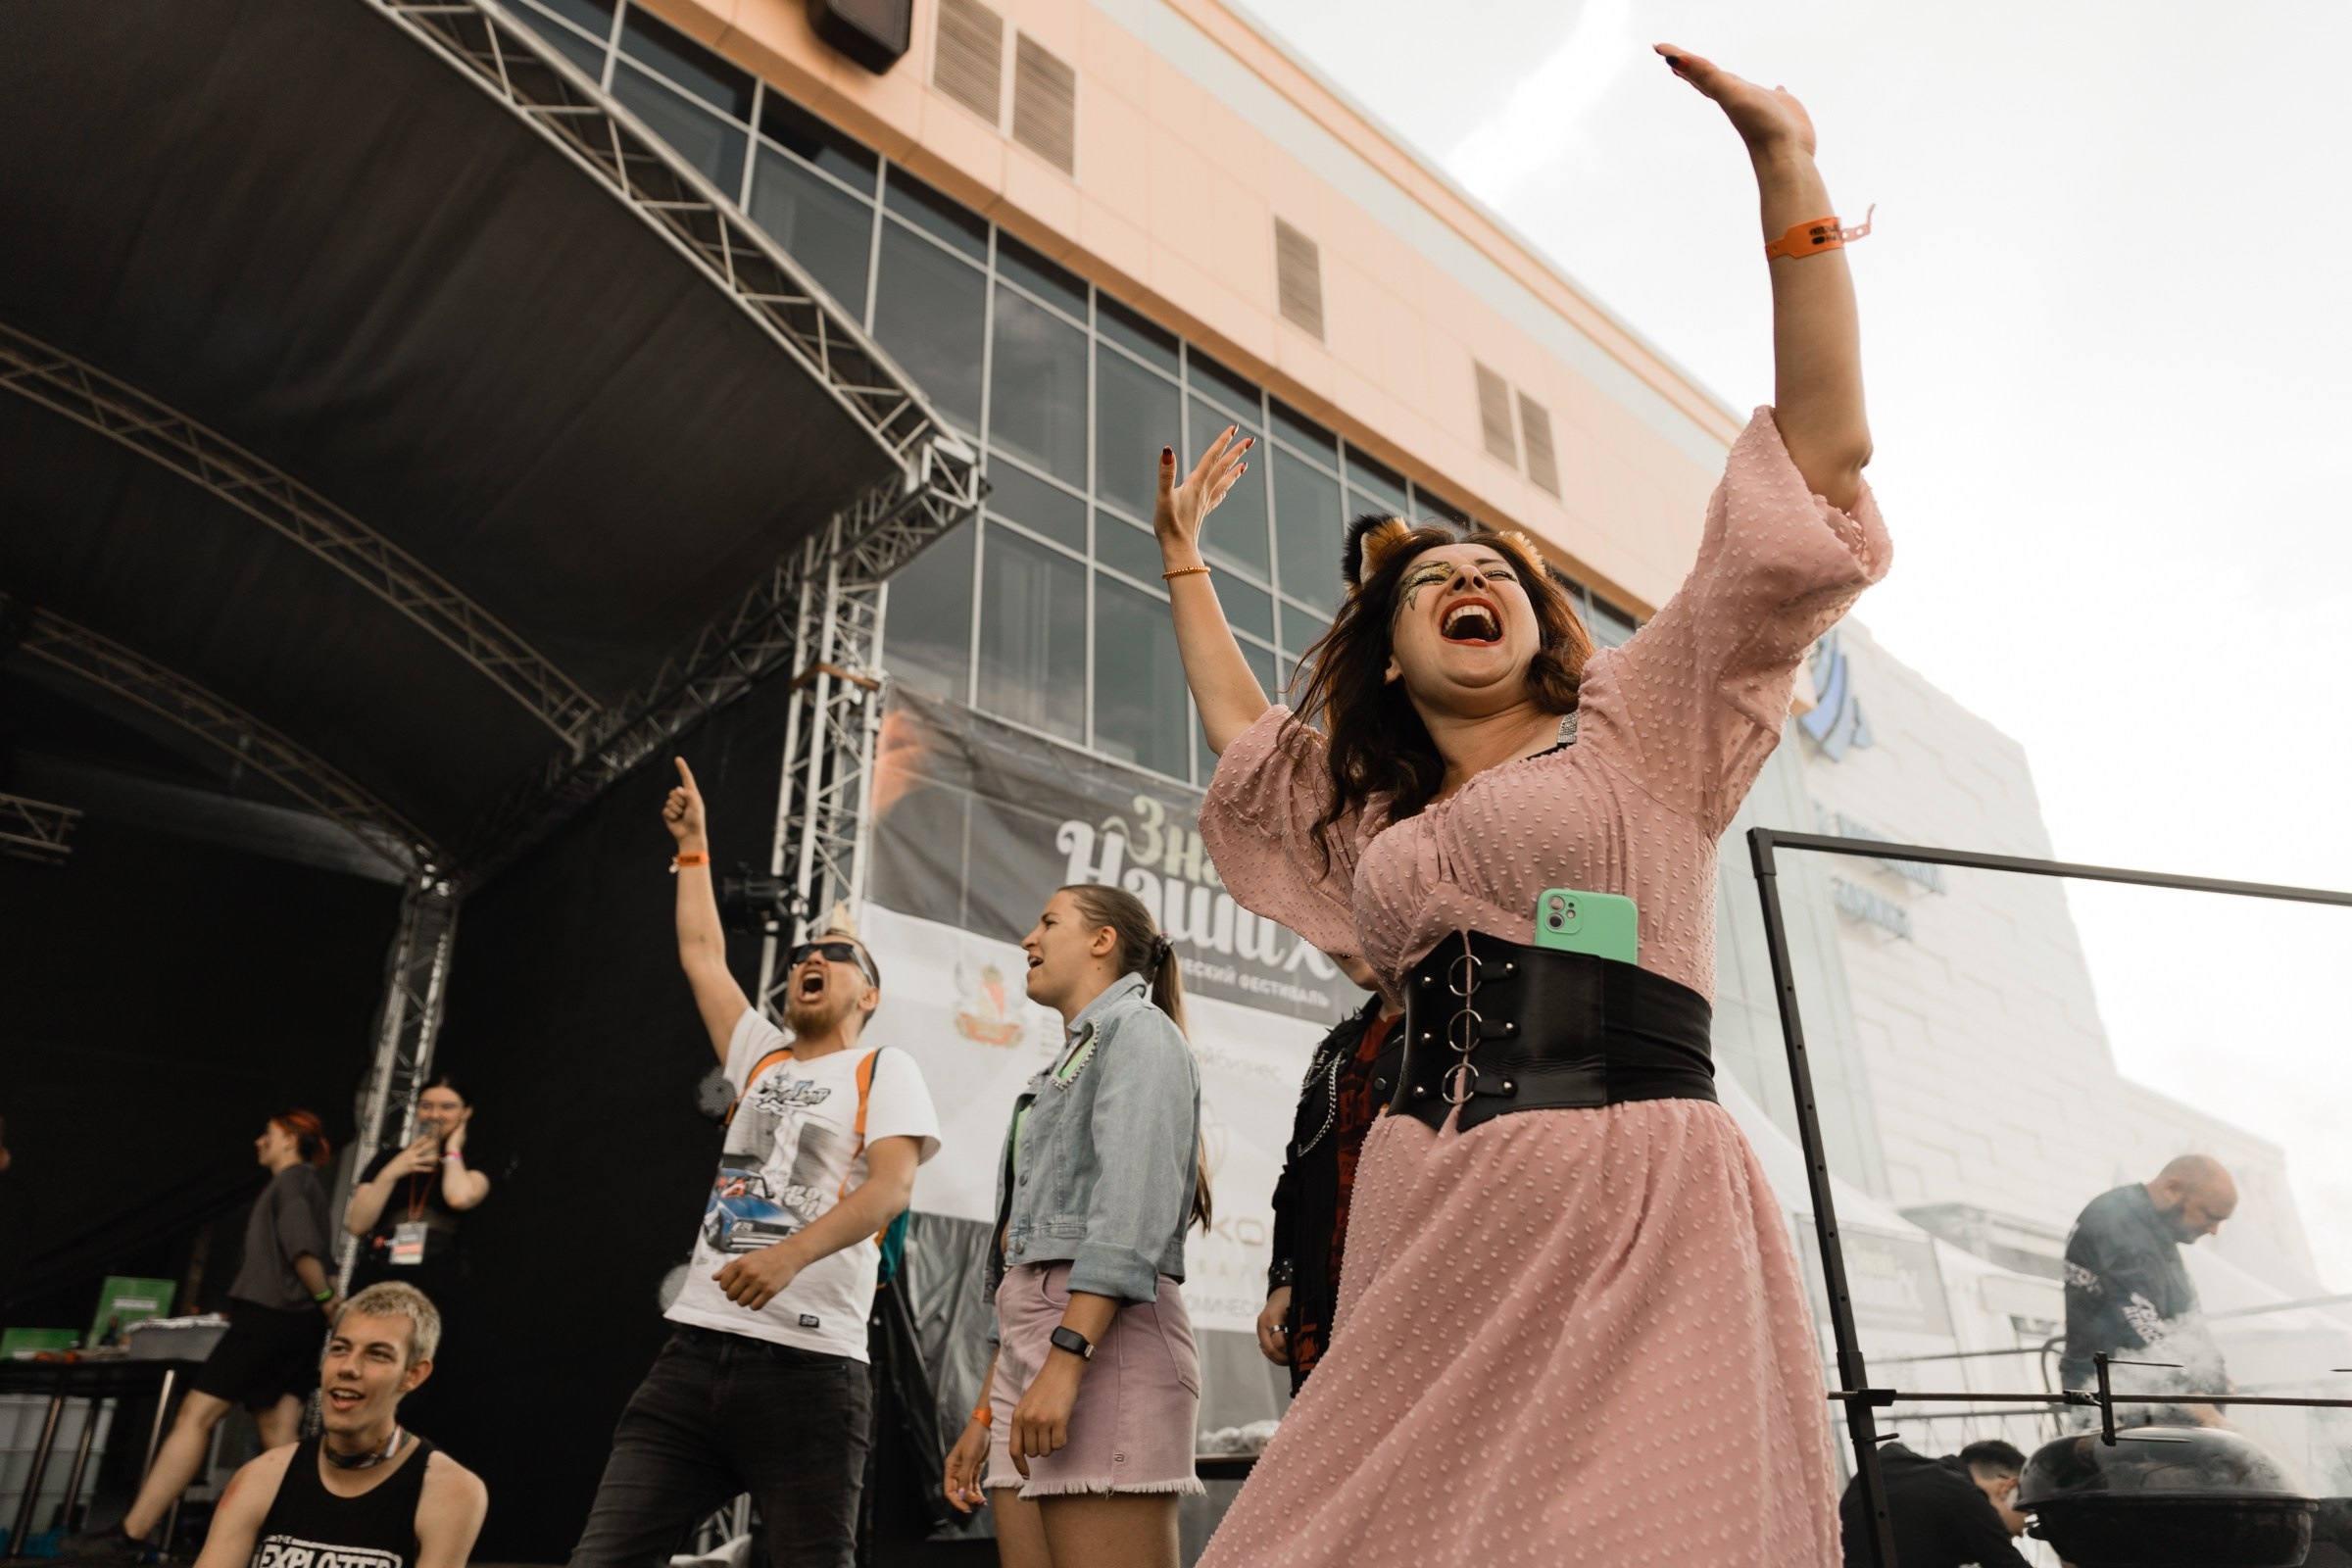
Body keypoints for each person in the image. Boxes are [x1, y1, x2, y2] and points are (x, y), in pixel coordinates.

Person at [1162, 45, 1887, 1566]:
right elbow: (1251, 748)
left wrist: (1789, 178)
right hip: (1426, 1210)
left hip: (1627, 1193)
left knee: (1629, 1533)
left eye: (1494, 569)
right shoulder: (1384, 827)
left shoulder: (1643, 726)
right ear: (1391, 649)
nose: (1470, 577)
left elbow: (1817, 470)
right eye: (1433, 579)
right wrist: (1182, 569)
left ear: (1535, 620)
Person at [564, 757, 940, 1568]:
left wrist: (788, 1257)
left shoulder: (883, 1068)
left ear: (869, 995)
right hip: (693, 1356)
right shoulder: (760, 1055)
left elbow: (890, 1189)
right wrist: (694, 846)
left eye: (836, 953)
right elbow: (703, 954)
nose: (811, 959)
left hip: (811, 1370)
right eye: (803, 953)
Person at [940, 884, 1208, 1568]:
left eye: (1048, 922)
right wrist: (985, 1413)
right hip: (1037, 1351)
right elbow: (1021, 1263)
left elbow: (1130, 1212)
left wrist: (1065, 1360)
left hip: (1095, 1345)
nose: (1028, 939)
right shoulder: (1052, 1073)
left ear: (1101, 940)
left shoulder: (1140, 1031)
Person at [67, 1111, 342, 1559]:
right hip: (292, 1321)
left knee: (195, 1416)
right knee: (278, 1432)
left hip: (270, 1318)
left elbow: (303, 1249)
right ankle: (316, 1539)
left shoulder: (292, 1184)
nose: (258, 1142)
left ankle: (130, 1536)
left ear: (290, 1141)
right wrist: (324, 1304)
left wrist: (328, 1299)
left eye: (268, 1135)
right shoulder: (302, 1185)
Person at [190, 1282, 489, 1568]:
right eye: (340, 1348)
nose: (348, 1368)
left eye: (377, 1354)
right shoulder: (262, 1477)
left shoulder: (449, 1491)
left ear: (413, 1375)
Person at [1255, 958, 1402, 1391]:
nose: (1338, 945)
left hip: (1410, 1299)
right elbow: (1297, 1176)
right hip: (1322, 1305)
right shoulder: (1336, 1046)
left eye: (1354, 925)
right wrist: (1283, 1281)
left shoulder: (1463, 1028)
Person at [2060, 1154, 2238, 1427]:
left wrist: (2211, 1372)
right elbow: (2137, 1318)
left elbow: (2186, 1312)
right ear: (2172, 1189)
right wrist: (2193, 1396)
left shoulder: (2156, 1229)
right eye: (2210, 1216)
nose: (2214, 1230)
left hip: (2147, 1397)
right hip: (2105, 1396)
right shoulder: (2115, 1219)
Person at [346, 1074, 491, 1293]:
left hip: (440, 1279)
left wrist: (452, 1149)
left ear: (466, 1112)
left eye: (447, 1107)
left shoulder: (472, 1162)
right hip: (381, 1273)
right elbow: (358, 1225)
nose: (434, 1115)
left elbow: (459, 1198)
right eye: (426, 1106)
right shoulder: (387, 1159)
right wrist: (392, 1171)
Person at [1838, 1440, 2031, 1568]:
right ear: (2008, 1487)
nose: (2021, 1532)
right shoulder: (1965, 1496)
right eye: (2026, 1512)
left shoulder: (1890, 1459)